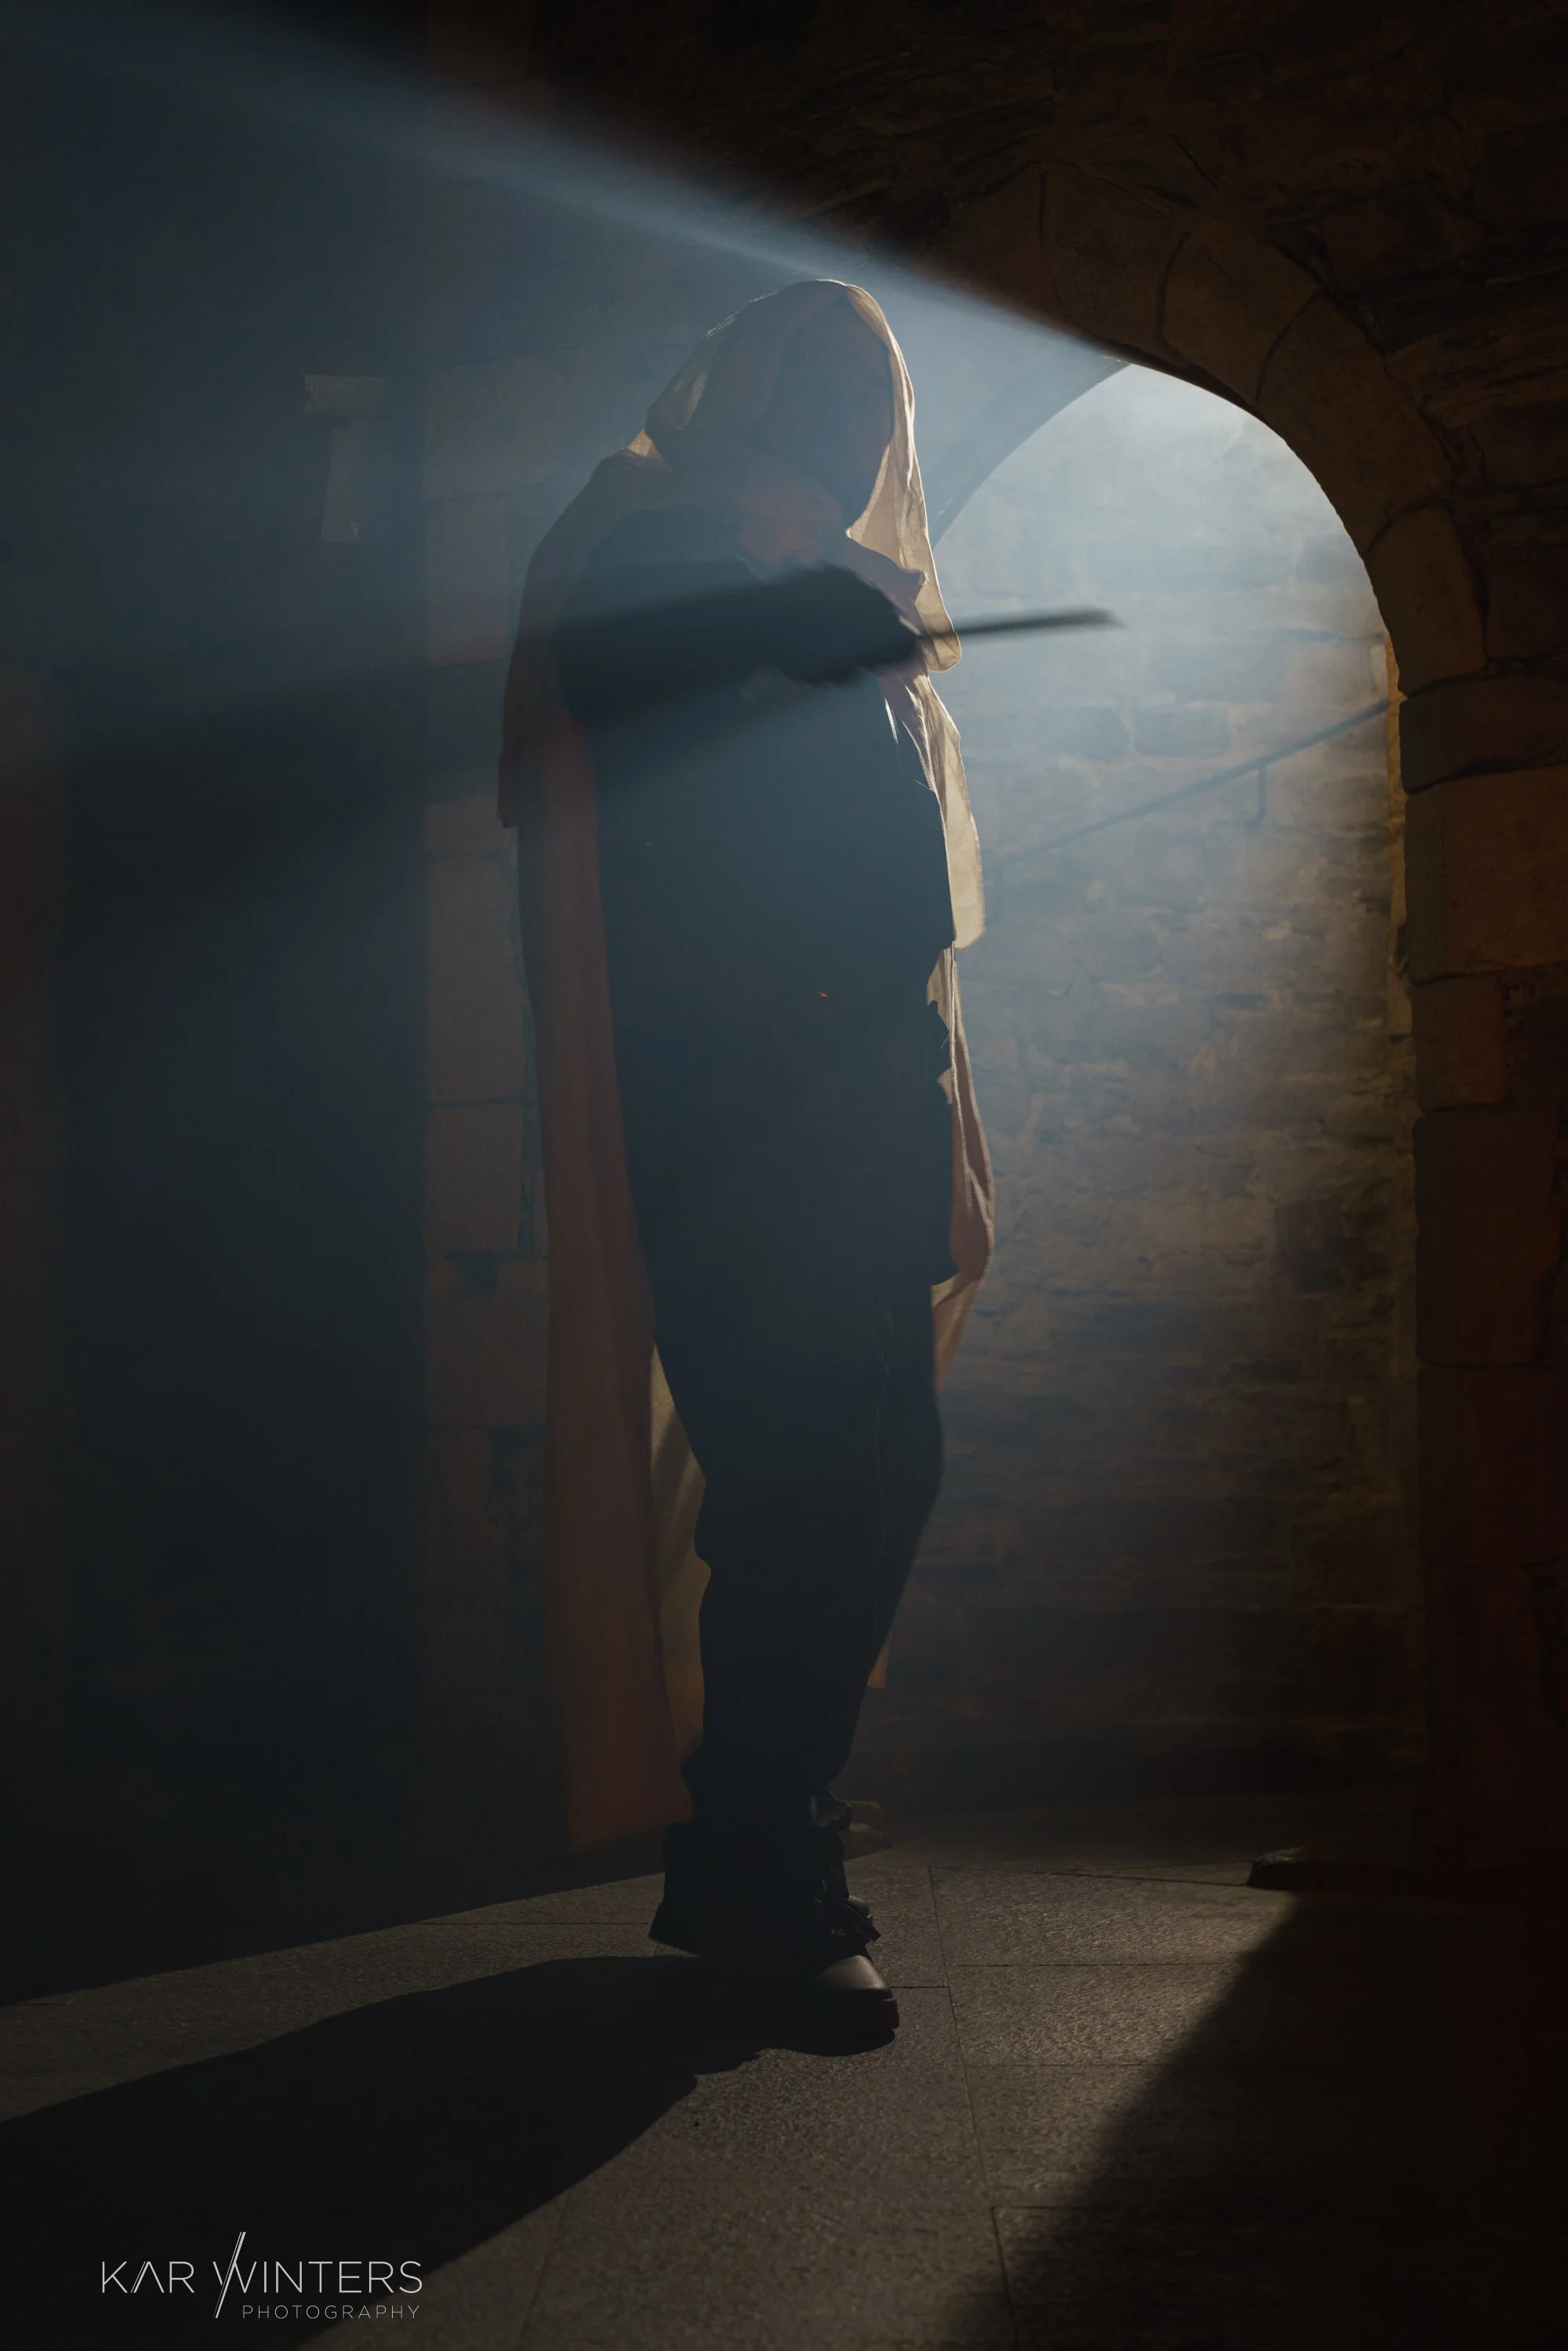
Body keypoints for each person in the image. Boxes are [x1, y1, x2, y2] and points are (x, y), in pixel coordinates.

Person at [499, 280, 993, 2036]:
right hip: (736, 1126)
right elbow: (642, 729)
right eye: (828, 387)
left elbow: (896, 881)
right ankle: (764, 1876)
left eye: (880, 397)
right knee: (798, 1494)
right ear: (752, 392)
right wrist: (791, 605)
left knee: (879, 1479)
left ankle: (749, 1851)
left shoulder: (815, 579)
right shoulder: (651, 547)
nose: (860, 429)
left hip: (854, 1120)